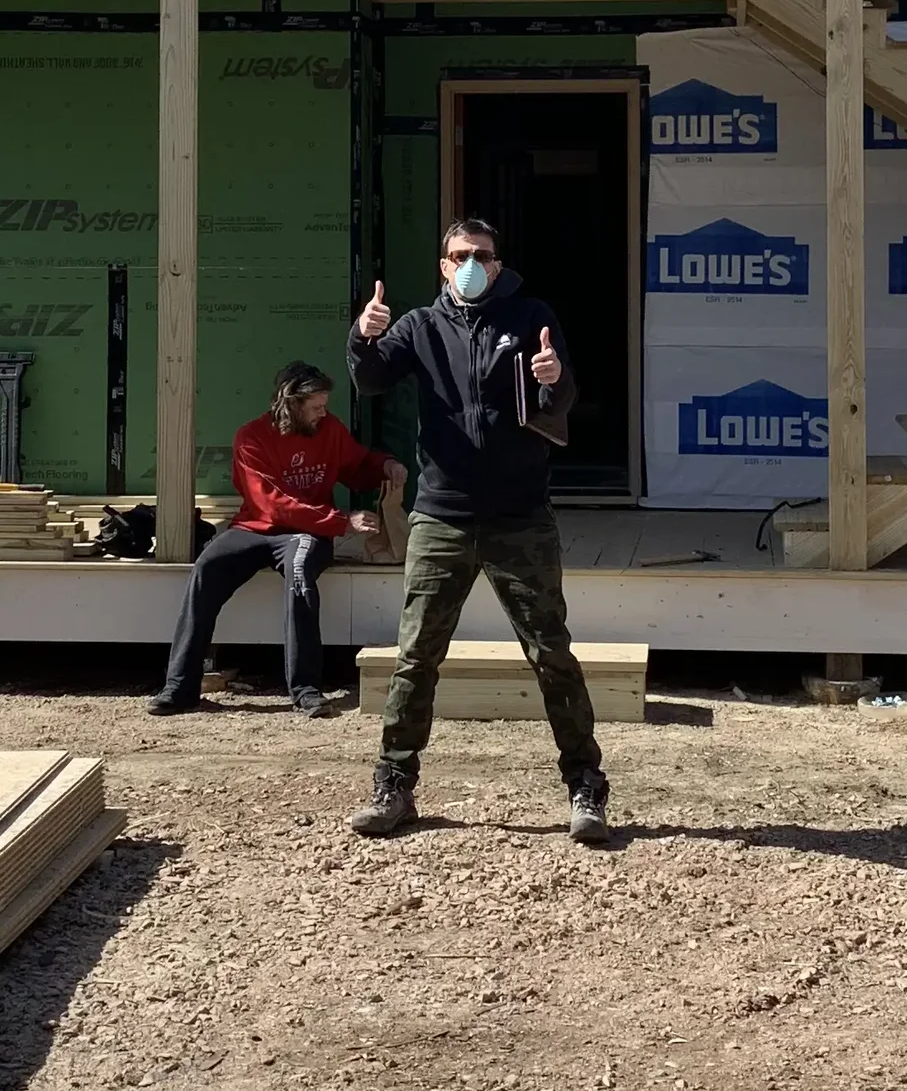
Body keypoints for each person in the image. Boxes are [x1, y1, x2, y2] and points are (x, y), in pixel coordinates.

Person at [344, 215, 611, 846]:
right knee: (415, 656)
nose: (471, 264)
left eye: (482, 255)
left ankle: (586, 786)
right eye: (459, 254)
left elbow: (561, 397)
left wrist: (555, 380)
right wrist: (361, 335)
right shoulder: (418, 325)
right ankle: (393, 785)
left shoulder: (530, 316)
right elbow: (371, 379)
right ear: (443, 265)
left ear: (498, 264)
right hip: (441, 514)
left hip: (520, 513)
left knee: (551, 653)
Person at [147, 362, 402, 719]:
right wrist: (342, 521)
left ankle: (306, 689)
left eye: (324, 405)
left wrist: (385, 466)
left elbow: (356, 466)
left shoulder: (329, 429)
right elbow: (271, 504)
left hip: (306, 533)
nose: (323, 413)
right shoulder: (251, 437)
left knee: (299, 572)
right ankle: (180, 687)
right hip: (255, 527)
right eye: (315, 406)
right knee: (207, 566)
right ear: (292, 404)